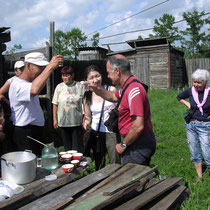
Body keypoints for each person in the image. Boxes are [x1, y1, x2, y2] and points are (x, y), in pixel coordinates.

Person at [88, 54, 156, 166]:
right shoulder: (127, 86)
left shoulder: (134, 90)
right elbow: (113, 97)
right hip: (133, 141)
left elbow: (138, 127)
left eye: (109, 73)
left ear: (117, 71)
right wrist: (97, 89)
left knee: (134, 179)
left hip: (137, 144)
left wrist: (123, 144)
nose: (108, 76)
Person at [8, 52, 63, 156]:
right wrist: (50, 67)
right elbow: (34, 90)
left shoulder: (27, 84)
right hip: (25, 132)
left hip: (33, 131)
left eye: (44, 67)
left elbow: (35, 87)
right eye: (39, 67)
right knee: (29, 166)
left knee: (36, 163)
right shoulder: (17, 84)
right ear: (28, 65)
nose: (42, 71)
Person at [83, 65, 121, 170]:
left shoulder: (110, 89)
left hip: (111, 131)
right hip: (96, 132)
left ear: (101, 76)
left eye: (97, 76)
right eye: (91, 78)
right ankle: (99, 182)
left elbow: (121, 106)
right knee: (99, 162)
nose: (95, 80)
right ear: (86, 80)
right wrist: (86, 121)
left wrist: (115, 111)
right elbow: (87, 115)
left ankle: (117, 181)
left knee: (115, 160)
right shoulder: (87, 95)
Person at [177, 69, 210, 182]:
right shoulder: (190, 91)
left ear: (205, 82)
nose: (196, 84)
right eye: (194, 81)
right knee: (194, 151)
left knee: (207, 152)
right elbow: (179, 97)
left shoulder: (209, 92)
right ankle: (199, 177)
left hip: (205, 126)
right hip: (190, 125)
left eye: (199, 82)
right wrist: (187, 103)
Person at [52, 66, 84, 152]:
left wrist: (85, 117)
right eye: (63, 75)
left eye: (67, 75)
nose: (65, 78)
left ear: (72, 75)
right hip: (63, 122)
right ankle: (68, 163)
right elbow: (55, 104)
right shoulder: (59, 87)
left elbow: (85, 102)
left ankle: (77, 163)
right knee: (67, 147)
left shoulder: (79, 86)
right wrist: (55, 119)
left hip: (76, 121)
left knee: (76, 147)